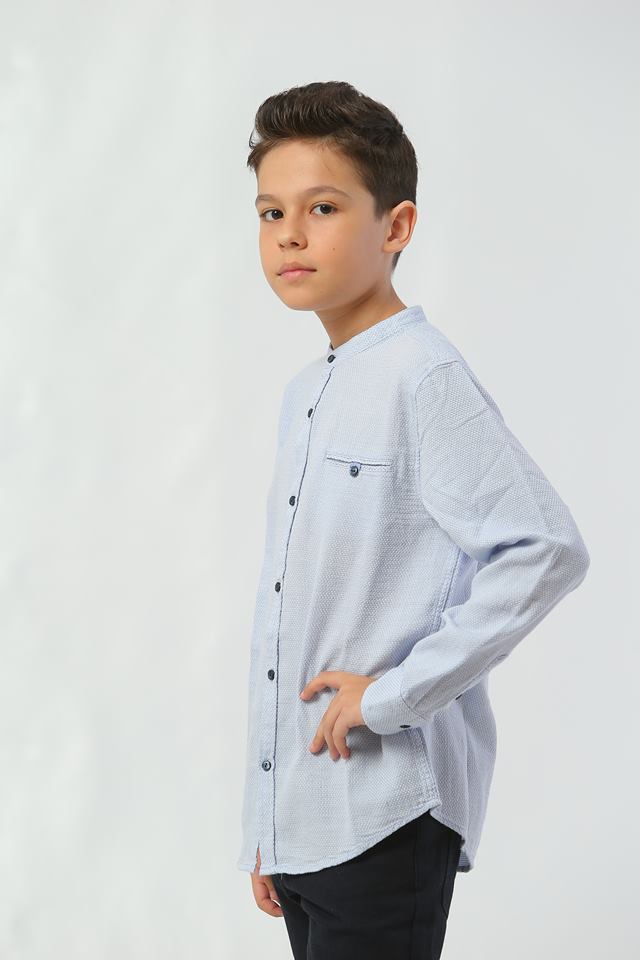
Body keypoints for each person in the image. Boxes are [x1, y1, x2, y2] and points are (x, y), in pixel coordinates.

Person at [236, 80, 590, 959]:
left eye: (322, 207)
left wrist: (393, 696)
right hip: (309, 819)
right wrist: (267, 825)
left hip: (384, 817)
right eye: (272, 211)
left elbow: (544, 549)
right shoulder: (307, 391)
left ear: (395, 227)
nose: (289, 233)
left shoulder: (422, 376)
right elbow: (289, 619)